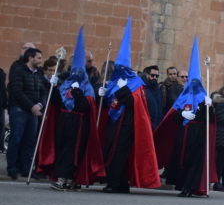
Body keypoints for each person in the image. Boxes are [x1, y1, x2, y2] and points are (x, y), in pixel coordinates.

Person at [37, 28, 105, 190]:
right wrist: (51, 86)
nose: (76, 74)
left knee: (73, 152)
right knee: (62, 149)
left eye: (79, 71)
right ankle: (63, 176)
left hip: (79, 124)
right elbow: (56, 103)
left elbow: (86, 106)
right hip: (63, 121)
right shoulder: (64, 83)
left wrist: (77, 93)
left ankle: (66, 178)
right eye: (74, 71)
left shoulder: (87, 87)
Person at [99, 17, 161, 193]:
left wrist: (122, 90)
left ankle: (117, 183)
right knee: (112, 152)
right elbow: (109, 102)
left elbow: (135, 103)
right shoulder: (114, 80)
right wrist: (102, 94)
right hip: (114, 123)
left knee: (121, 155)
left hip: (127, 125)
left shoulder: (136, 83)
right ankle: (114, 181)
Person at [154, 37, 216, 197]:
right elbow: (173, 114)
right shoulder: (183, 96)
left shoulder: (204, 97)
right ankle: (182, 185)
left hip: (197, 134)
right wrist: (182, 113)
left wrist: (210, 106)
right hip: (183, 134)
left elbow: (210, 119)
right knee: (182, 159)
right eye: (190, 81)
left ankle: (191, 187)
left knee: (194, 161)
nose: (192, 83)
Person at [6, 47, 45, 180]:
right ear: (30, 58)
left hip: (33, 110)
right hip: (19, 109)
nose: (40, 61)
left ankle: (26, 168)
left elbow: (43, 91)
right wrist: (31, 106)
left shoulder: (39, 72)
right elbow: (17, 91)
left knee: (30, 141)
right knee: (16, 138)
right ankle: (12, 167)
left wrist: (40, 104)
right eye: (38, 58)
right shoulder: (19, 71)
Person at [141, 65, 164, 131]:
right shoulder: (141, 88)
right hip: (145, 126)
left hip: (156, 126)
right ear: (147, 75)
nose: (155, 77)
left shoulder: (157, 89)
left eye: (157, 76)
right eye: (152, 75)